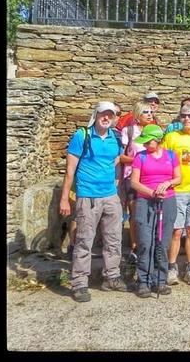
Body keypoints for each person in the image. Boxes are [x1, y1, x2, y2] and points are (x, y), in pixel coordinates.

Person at [59, 101, 126, 303]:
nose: (106, 118)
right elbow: (70, 170)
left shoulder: (115, 137)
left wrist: (115, 189)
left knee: (114, 239)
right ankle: (79, 283)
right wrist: (65, 199)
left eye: (110, 115)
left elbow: (115, 163)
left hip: (110, 196)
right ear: (96, 115)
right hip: (87, 196)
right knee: (84, 240)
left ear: (115, 118)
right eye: (103, 114)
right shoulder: (83, 136)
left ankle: (111, 277)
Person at [129, 124, 181, 297]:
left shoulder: (171, 155)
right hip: (145, 201)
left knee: (162, 242)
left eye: (147, 141)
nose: (144, 145)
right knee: (145, 242)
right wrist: (151, 192)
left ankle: (160, 280)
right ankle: (143, 280)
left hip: (167, 201)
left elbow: (178, 177)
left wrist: (168, 183)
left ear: (157, 140)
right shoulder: (140, 157)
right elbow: (134, 182)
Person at [163, 104, 190, 286]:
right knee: (176, 231)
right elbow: (163, 161)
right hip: (177, 191)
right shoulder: (171, 137)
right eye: (183, 116)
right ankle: (172, 268)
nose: (187, 119)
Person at [117, 101, 155, 264]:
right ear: (137, 114)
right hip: (131, 176)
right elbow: (121, 156)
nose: (149, 115)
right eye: (145, 112)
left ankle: (148, 245)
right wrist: (139, 161)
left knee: (149, 213)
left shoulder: (154, 132)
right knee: (135, 213)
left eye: (151, 112)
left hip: (150, 178)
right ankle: (135, 246)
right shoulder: (129, 131)